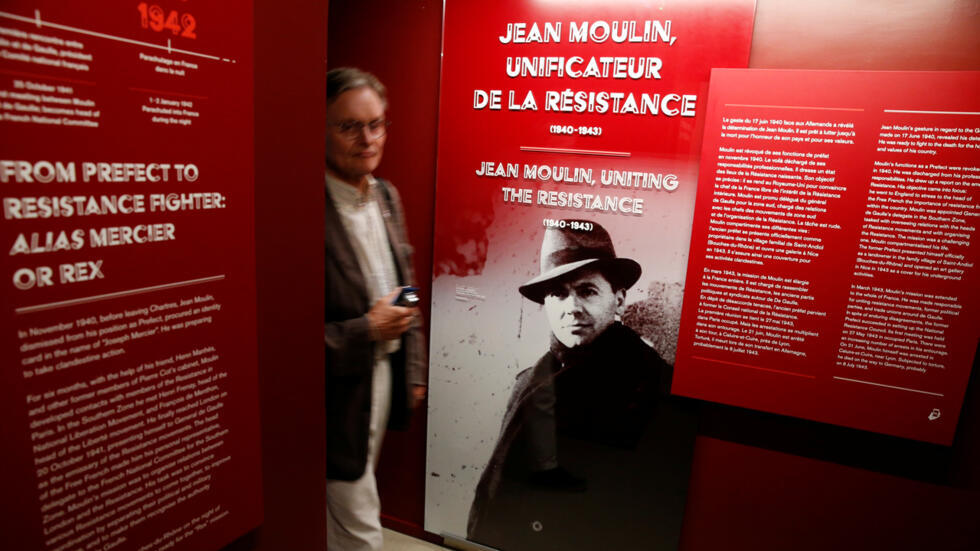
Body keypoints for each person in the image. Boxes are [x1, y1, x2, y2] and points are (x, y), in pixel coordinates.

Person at [467, 220, 689, 551]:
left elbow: (650, 504)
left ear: (619, 300)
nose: (571, 308)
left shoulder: (653, 385)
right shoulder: (528, 383)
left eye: (587, 291)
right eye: (558, 293)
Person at [323, 67, 426, 551]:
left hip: (385, 374)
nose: (367, 139)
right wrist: (368, 328)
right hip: (335, 387)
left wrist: (416, 368)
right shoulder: (305, 207)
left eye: (376, 124)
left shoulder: (386, 195)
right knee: (361, 522)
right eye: (349, 126)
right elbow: (279, 338)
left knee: (344, 508)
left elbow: (407, 281)